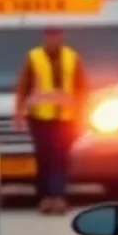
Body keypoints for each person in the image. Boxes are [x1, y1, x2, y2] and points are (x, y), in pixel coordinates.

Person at [13, 27, 88, 214]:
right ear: (45, 38)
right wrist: (19, 112)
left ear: (62, 37)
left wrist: (83, 113)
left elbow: (82, 88)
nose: (53, 40)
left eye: (57, 36)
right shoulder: (34, 57)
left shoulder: (72, 57)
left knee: (60, 158)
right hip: (40, 118)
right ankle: (45, 197)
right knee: (44, 159)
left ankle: (59, 197)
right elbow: (23, 86)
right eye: (50, 36)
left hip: (65, 119)